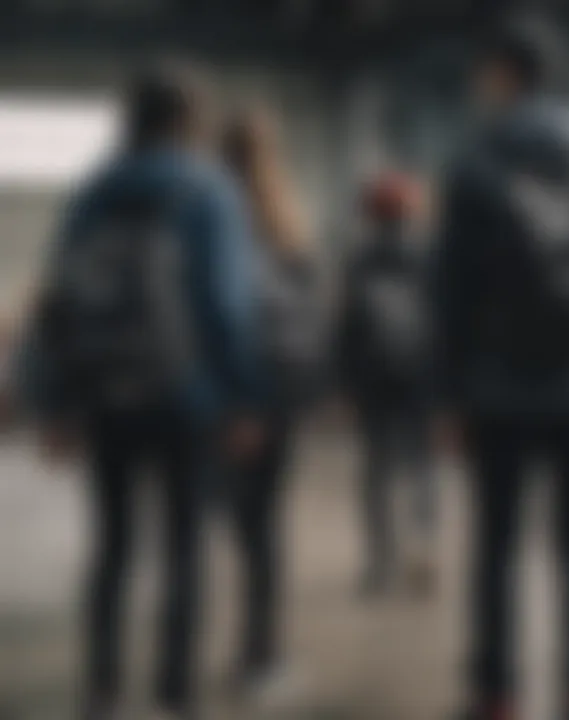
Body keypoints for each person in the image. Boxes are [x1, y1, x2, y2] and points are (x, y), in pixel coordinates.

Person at [434, 23, 569, 720]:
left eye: (486, 74)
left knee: (495, 550)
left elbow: (452, 292)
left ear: (506, 73)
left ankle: (496, 692)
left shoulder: (476, 160)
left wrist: (449, 397)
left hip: (498, 388)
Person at [33, 62, 265, 720]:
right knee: (184, 547)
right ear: (188, 122)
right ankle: (174, 694)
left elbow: (59, 304)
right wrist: (244, 396)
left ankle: (103, 691)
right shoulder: (210, 190)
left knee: (112, 547)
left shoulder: (91, 192)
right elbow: (226, 303)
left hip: (107, 394)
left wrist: (56, 404)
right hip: (186, 398)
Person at [221, 111, 325, 703]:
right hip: (280, 392)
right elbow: (312, 308)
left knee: (230, 525)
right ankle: (261, 654)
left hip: (227, 392)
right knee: (265, 530)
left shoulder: (206, 209)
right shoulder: (290, 218)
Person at [337, 171, 438, 597]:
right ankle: (422, 552)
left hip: (374, 377)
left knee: (376, 470)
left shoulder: (359, 259)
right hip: (421, 375)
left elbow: (347, 325)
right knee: (421, 466)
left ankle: (381, 561)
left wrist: (342, 382)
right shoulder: (429, 256)